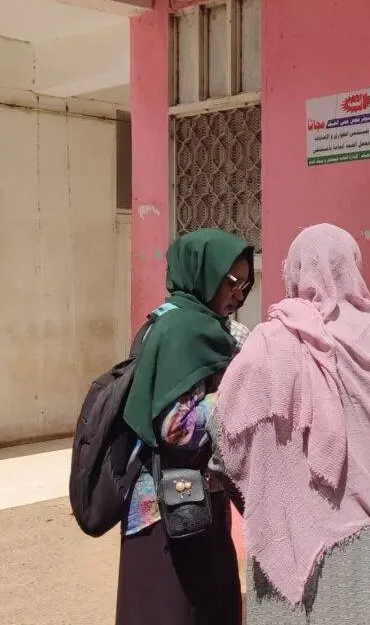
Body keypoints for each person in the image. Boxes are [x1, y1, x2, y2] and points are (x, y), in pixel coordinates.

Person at [208, 224, 370, 624]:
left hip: (298, 542)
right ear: (353, 266)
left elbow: (226, 433)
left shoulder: (270, 344)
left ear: (294, 272)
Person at [114, 228, 254, 625]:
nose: (240, 294)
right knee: (182, 607)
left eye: (246, 284)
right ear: (203, 272)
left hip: (177, 500)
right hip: (174, 507)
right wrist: (236, 399)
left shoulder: (169, 320)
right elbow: (176, 427)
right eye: (232, 282)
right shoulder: (187, 331)